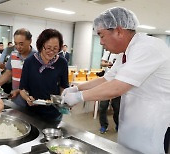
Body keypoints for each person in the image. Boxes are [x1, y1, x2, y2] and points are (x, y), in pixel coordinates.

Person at [62, 7, 170, 154]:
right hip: (134, 121)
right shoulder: (126, 53)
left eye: (101, 35)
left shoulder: (148, 47)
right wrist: (76, 88)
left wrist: (79, 97)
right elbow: (107, 79)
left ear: (118, 31)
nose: (100, 42)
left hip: (153, 123)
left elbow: (117, 87)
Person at [19, 28, 69, 122]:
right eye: (48, 48)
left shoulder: (62, 62)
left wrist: (64, 99)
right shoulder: (30, 62)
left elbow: (64, 86)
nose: (51, 52)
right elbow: (22, 88)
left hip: (54, 112)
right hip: (32, 111)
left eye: (55, 48)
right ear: (41, 45)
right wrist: (27, 98)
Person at [0, 28, 37, 106]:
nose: (18, 47)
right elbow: (8, 73)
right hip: (16, 99)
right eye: (16, 43)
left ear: (30, 41)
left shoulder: (37, 57)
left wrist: (19, 90)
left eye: (21, 44)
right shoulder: (13, 54)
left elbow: (36, 81)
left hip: (31, 100)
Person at [99, 50, 121, 133]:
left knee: (117, 107)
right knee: (103, 106)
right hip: (107, 83)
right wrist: (109, 64)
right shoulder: (108, 52)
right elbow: (102, 63)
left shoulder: (122, 53)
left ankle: (118, 125)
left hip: (118, 83)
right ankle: (103, 126)